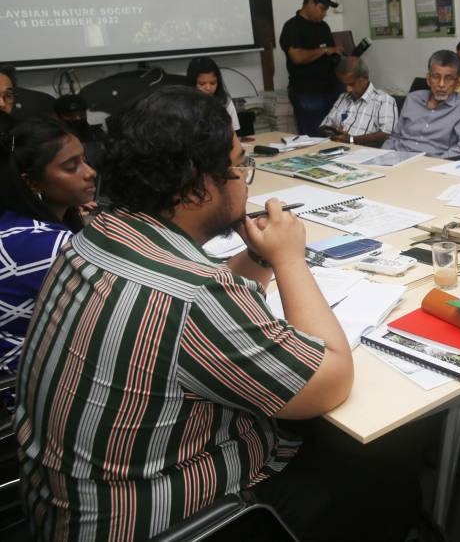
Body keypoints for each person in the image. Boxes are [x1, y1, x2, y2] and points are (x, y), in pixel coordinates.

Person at [13, 86, 373, 541]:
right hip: (167, 523)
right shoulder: (196, 295)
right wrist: (289, 259)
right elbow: (331, 380)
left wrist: (260, 257)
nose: (245, 177)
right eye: (239, 164)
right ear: (200, 186)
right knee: (380, 468)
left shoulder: (98, 234)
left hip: (64, 509)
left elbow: (188, 297)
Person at [0, 119, 95, 379]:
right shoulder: (46, 245)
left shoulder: (14, 221)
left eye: (84, 160)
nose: (89, 172)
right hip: (32, 385)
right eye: (71, 166)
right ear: (31, 182)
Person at [383, 50, 460, 159]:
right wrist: (380, 156)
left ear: (458, 82)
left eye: (448, 78)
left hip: (433, 165)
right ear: (428, 79)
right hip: (396, 160)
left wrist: (436, 161)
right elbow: (395, 137)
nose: (441, 84)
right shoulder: (413, 98)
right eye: (436, 77)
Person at [278, 0, 344, 136]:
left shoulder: (323, 27)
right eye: (322, 9)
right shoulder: (292, 27)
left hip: (331, 88)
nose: (324, 14)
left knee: (336, 134)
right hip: (307, 92)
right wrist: (325, 50)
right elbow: (297, 57)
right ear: (310, 3)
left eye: (326, 10)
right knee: (314, 137)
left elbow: (331, 53)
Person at [318, 56, 397, 147]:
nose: (348, 89)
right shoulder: (343, 97)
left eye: (352, 84)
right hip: (337, 148)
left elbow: (386, 134)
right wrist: (334, 133)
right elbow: (324, 125)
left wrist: (352, 139)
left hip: (364, 151)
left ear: (365, 78)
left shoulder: (384, 100)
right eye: (345, 84)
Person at [186, 56, 241, 133]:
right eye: (202, 84)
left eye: (213, 83)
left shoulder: (225, 102)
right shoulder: (183, 105)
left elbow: (233, 135)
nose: (208, 88)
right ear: (192, 83)